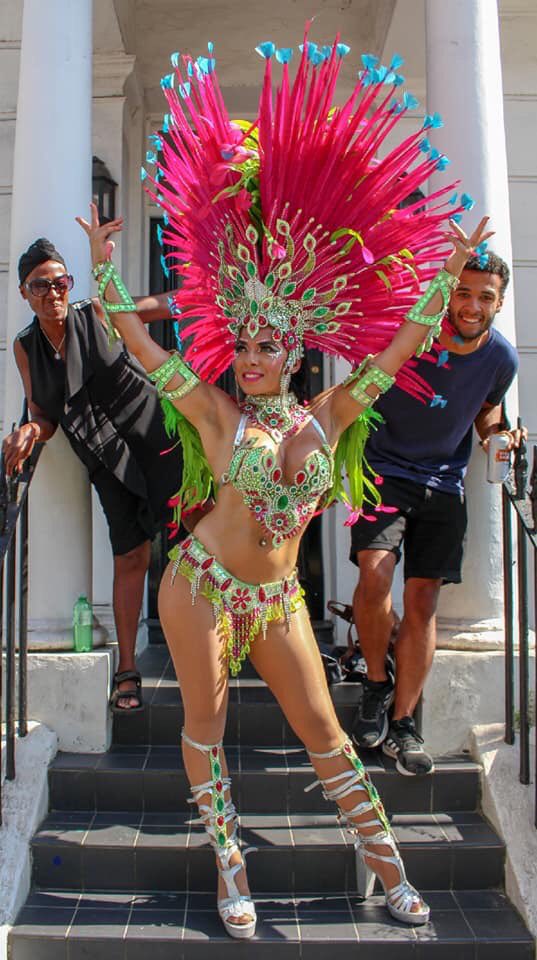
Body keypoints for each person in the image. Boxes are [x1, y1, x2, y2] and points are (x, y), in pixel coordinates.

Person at [78, 34, 492, 938]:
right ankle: (232, 866)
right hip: (200, 589)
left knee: (326, 734)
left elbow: (395, 353)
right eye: (247, 343)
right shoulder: (216, 415)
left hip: (275, 602)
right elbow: (143, 348)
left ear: (295, 350)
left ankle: (389, 869)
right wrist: (107, 270)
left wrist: (444, 275)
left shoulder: (329, 416)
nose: (257, 356)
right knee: (204, 721)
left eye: (272, 345)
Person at [351, 250, 521, 776]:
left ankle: (403, 722)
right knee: (375, 576)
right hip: (382, 470)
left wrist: (498, 436)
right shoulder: (413, 336)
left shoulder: (502, 359)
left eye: (485, 296)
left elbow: (487, 408)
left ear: (498, 302)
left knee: (422, 600)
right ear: (449, 293)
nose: (472, 305)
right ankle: (376, 685)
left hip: (444, 483)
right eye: (464, 293)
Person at [2, 237, 183, 712]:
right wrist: (28, 433)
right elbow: (44, 413)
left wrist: (222, 298)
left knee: (193, 548)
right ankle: (127, 669)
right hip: (104, 457)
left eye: (60, 281)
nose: (52, 292)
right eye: (40, 285)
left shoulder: (97, 313)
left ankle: (205, 654)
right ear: (24, 292)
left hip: (158, 438)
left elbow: (164, 305)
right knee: (130, 556)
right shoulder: (25, 348)